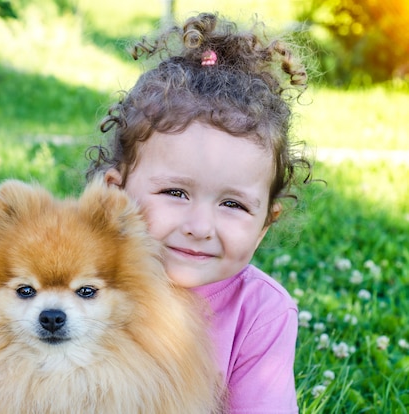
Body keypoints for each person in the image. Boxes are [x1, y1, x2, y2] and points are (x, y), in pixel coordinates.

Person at [86, 12, 313, 412]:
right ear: (115, 195)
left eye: (233, 204)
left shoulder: (261, 313)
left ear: (265, 225)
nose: (200, 227)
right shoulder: (86, 279)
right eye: (175, 192)